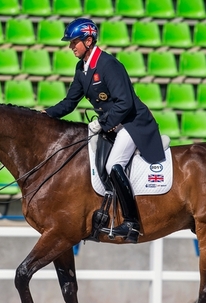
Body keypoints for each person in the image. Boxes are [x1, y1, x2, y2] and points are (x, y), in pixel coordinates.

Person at [44, 18, 165, 243]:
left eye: (74, 42)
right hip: (113, 126)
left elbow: (125, 103)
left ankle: (131, 222)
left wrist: (103, 122)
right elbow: (69, 103)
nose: (71, 46)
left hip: (133, 123)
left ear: (89, 40)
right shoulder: (82, 68)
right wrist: (44, 115)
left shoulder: (108, 64)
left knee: (113, 164)